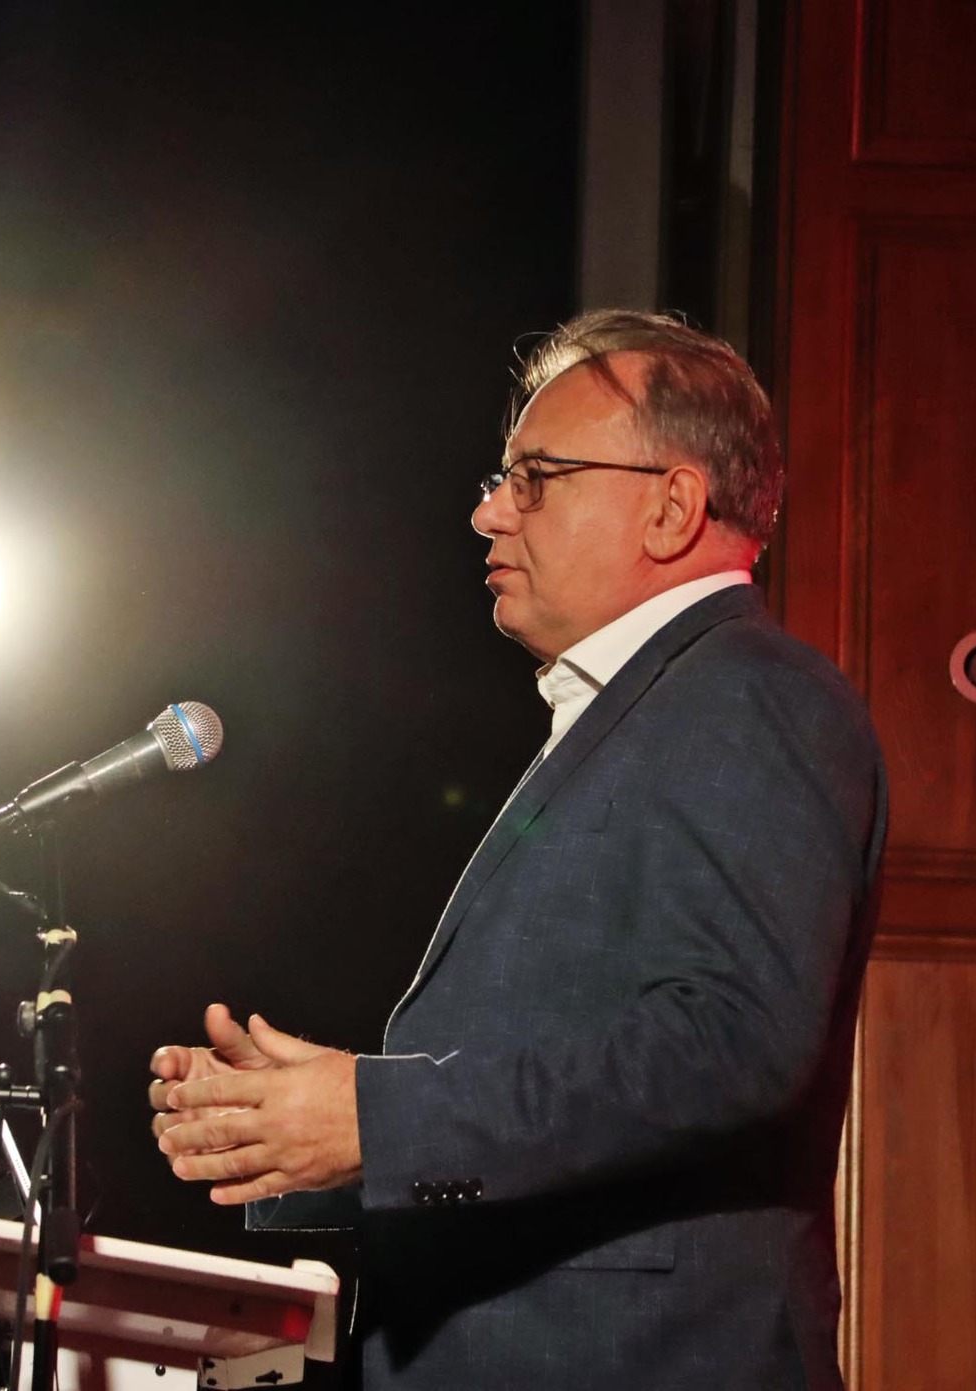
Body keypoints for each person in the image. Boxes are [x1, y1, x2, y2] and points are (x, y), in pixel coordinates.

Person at [148, 311, 887, 1389]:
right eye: (504, 477)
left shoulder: (749, 694)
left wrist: (377, 1117)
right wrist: (299, 1130)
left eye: (536, 476)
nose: (488, 510)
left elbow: (728, 1046)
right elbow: (572, 1108)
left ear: (671, 507)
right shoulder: (648, 709)